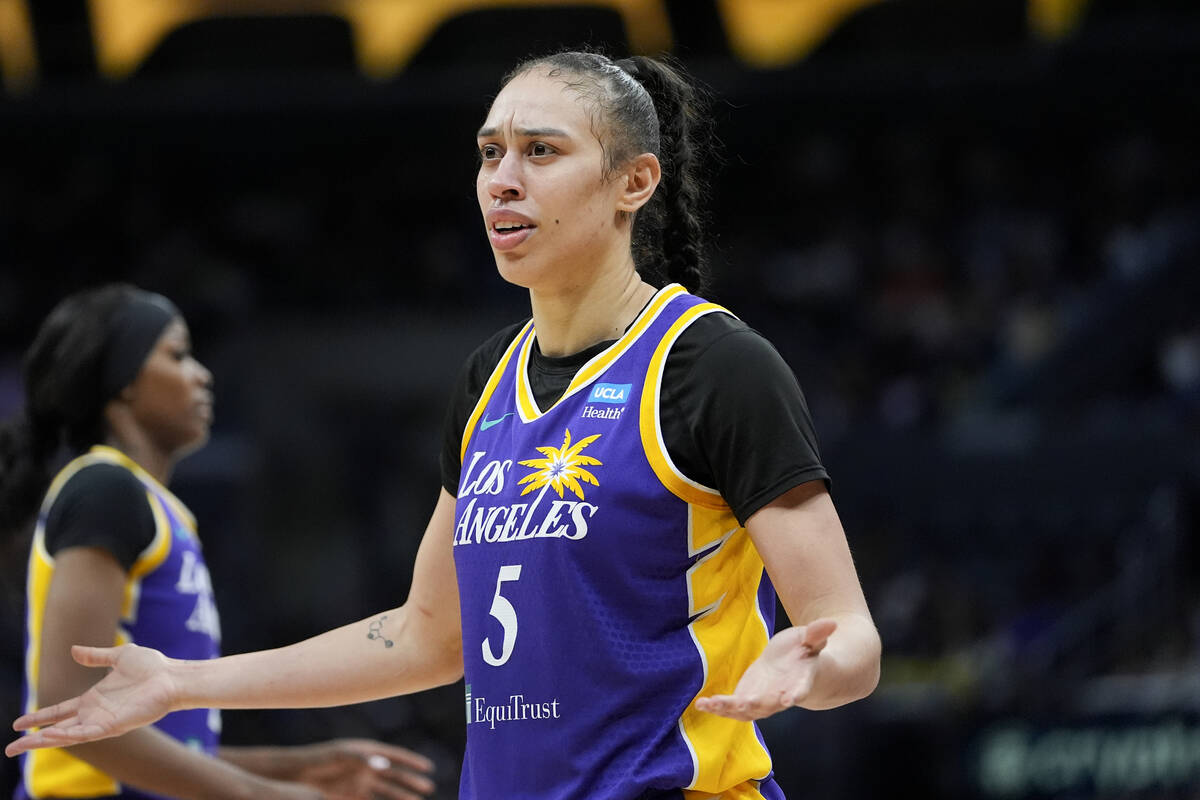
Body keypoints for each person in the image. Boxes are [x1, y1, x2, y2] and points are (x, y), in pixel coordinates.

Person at [6, 51, 882, 799]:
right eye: (490, 153)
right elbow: (427, 635)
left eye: (542, 152)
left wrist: (811, 670)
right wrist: (178, 682)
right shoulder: (487, 379)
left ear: (634, 182)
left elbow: (849, 635)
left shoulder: (713, 367)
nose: (504, 178)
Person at [0, 285, 436, 800]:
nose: (202, 374)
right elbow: (70, 709)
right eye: (178, 355)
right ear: (123, 382)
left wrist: (296, 767)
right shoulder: (105, 488)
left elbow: (162, 740)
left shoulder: (155, 507)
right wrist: (270, 796)